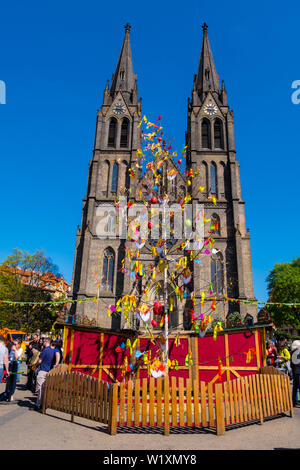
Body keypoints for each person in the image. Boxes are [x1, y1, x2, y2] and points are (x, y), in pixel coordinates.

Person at [33, 338, 55, 411]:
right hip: (50, 372)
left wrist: (35, 365)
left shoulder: (45, 350)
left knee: (40, 388)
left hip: (43, 370)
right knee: (46, 389)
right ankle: (45, 404)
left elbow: (40, 361)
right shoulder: (53, 350)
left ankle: (39, 405)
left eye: (44, 342)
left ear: (46, 342)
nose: (42, 343)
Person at [291, 340, 300, 408]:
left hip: (295, 371)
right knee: (297, 387)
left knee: (295, 387)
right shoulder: (297, 352)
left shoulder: (292, 352)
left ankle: (295, 401)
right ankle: (295, 402)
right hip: (298, 371)